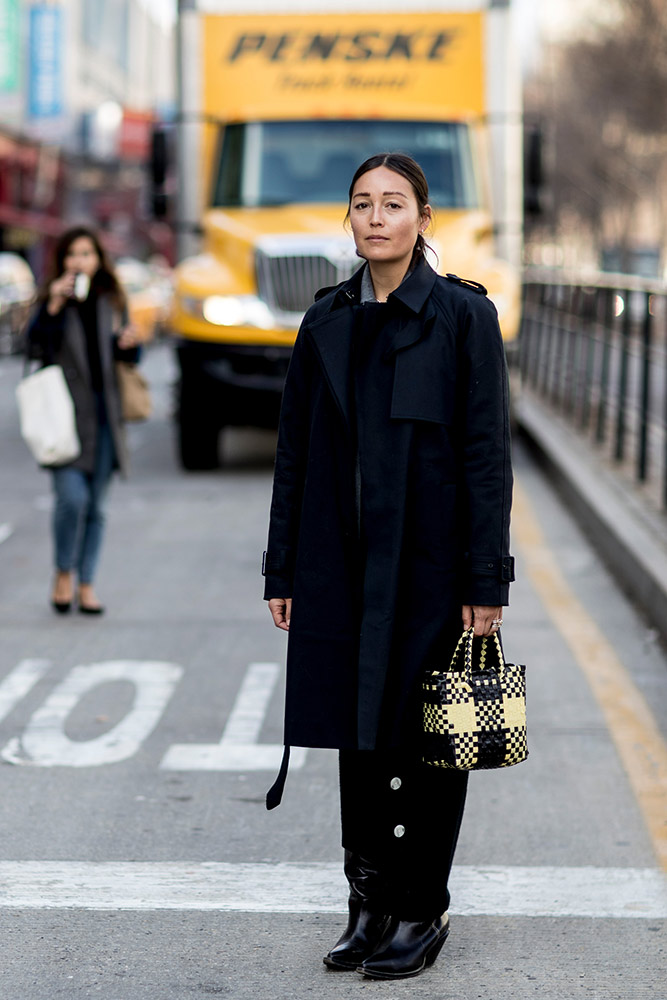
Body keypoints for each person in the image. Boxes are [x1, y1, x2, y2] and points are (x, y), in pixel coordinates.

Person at [263, 153, 514, 980]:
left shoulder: (461, 317)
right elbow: (294, 455)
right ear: (350, 220)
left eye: (393, 204)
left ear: (422, 219)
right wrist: (283, 570)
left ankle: (420, 908)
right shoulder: (325, 321)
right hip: (339, 569)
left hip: (433, 571)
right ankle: (366, 902)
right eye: (362, 204)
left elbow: (485, 457)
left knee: (429, 741)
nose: (376, 218)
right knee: (356, 736)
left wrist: (487, 581)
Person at [27, 226, 140, 615]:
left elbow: (127, 360)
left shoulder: (112, 300)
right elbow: (33, 348)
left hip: (106, 416)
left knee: (97, 507)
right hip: (65, 417)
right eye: (72, 254)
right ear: (62, 261)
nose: (80, 261)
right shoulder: (51, 301)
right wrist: (54, 307)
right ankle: (63, 572)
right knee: (71, 499)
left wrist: (130, 345)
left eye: (87, 254)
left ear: (98, 260)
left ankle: (87, 583)